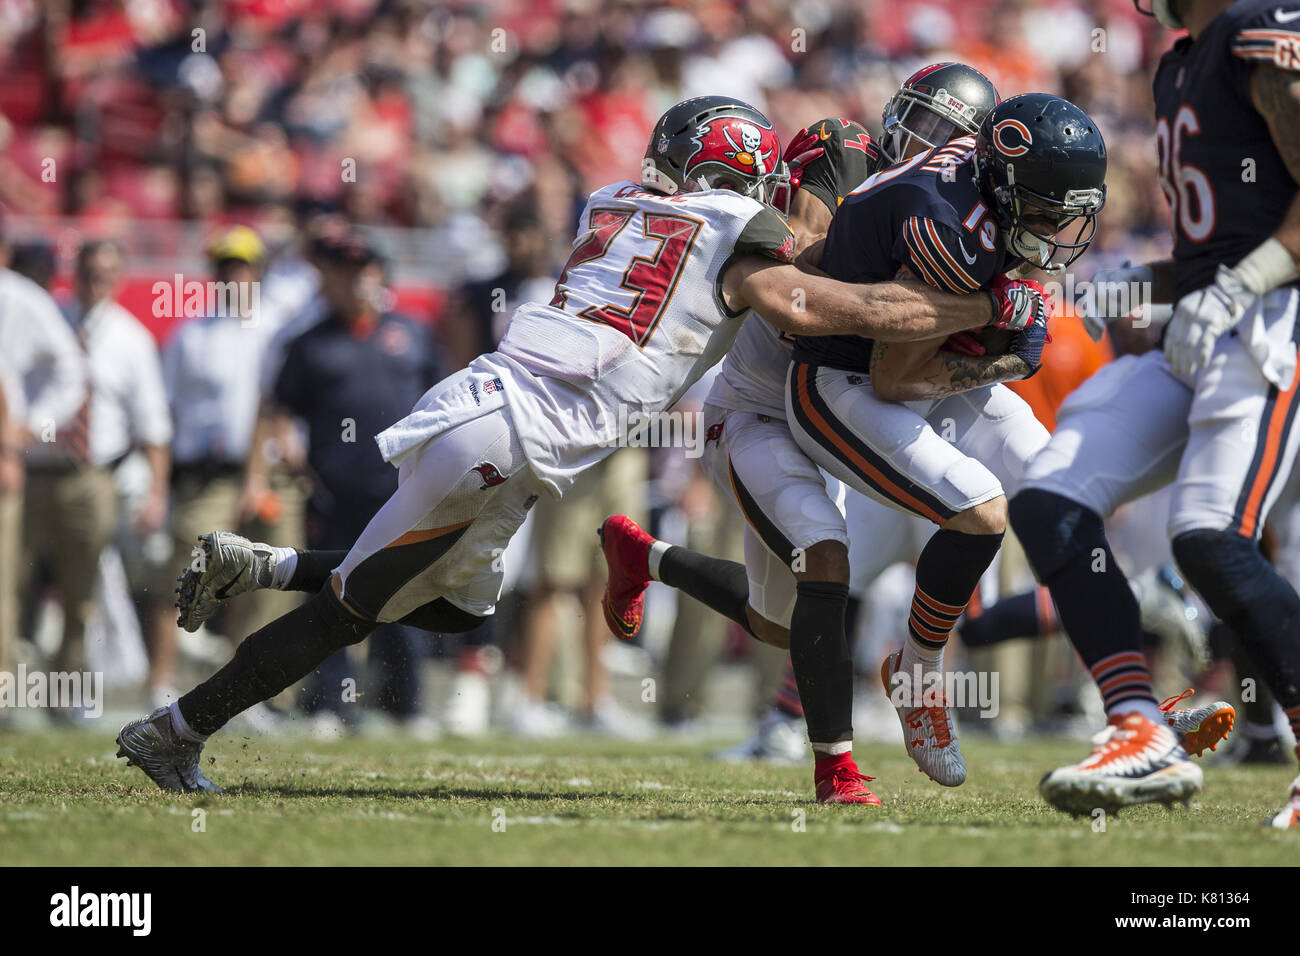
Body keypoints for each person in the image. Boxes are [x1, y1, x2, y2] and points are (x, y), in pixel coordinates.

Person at [118, 94, 1020, 795]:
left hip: (501, 430)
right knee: (350, 614)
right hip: (508, 437)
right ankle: (174, 733)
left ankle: (267, 565)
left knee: (463, 609)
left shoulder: (612, 200)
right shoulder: (737, 232)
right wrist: (976, 302)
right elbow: (815, 294)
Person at [1010, 0, 1300, 826]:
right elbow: (1220, 242)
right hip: (1211, 320)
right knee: (1049, 496)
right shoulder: (1183, 61)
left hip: (1279, 318)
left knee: (1210, 536)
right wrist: (1148, 280)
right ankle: (1141, 726)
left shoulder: (1262, 35)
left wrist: (1244, 286)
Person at [24, 240, 171, 696]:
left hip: (93, 477)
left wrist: (156, 494)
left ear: (119, 277)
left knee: (81, 591)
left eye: (107, 272)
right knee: (17, 582)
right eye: (89, 270)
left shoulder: (132, 339)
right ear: (75, 271)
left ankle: (66, 693)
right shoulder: (47, 323)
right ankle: (12, 686)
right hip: (33, 471)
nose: (96, 281)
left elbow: (153, 425)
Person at [0, 225, 85, 687]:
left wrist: (24, 431)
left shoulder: (19, 297)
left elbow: (70, 373)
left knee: (7, 579)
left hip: (11, 456)